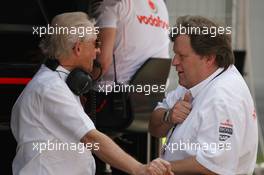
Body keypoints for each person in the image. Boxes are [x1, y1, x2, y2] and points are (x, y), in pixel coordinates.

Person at [10, 12, 173, 175]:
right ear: (78, 48)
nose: (98, 51)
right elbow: (92, 138)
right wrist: (139, 169)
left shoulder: (60, 84)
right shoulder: (51, 88)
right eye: (96, 43)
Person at [148, 15, 258, 174]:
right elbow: (154, 128)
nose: (174, 62)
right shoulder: (195, 80)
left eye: (182, 56)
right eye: (175, 54)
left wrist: (159, 169)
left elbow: (214, 166)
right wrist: (168, 116)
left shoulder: (223, 97)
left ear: (209, 58)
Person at [92, 0, 170, 86]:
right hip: (155, 92)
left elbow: (103, 62)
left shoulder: (112, 4)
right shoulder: (161, 5)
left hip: (115, 92)